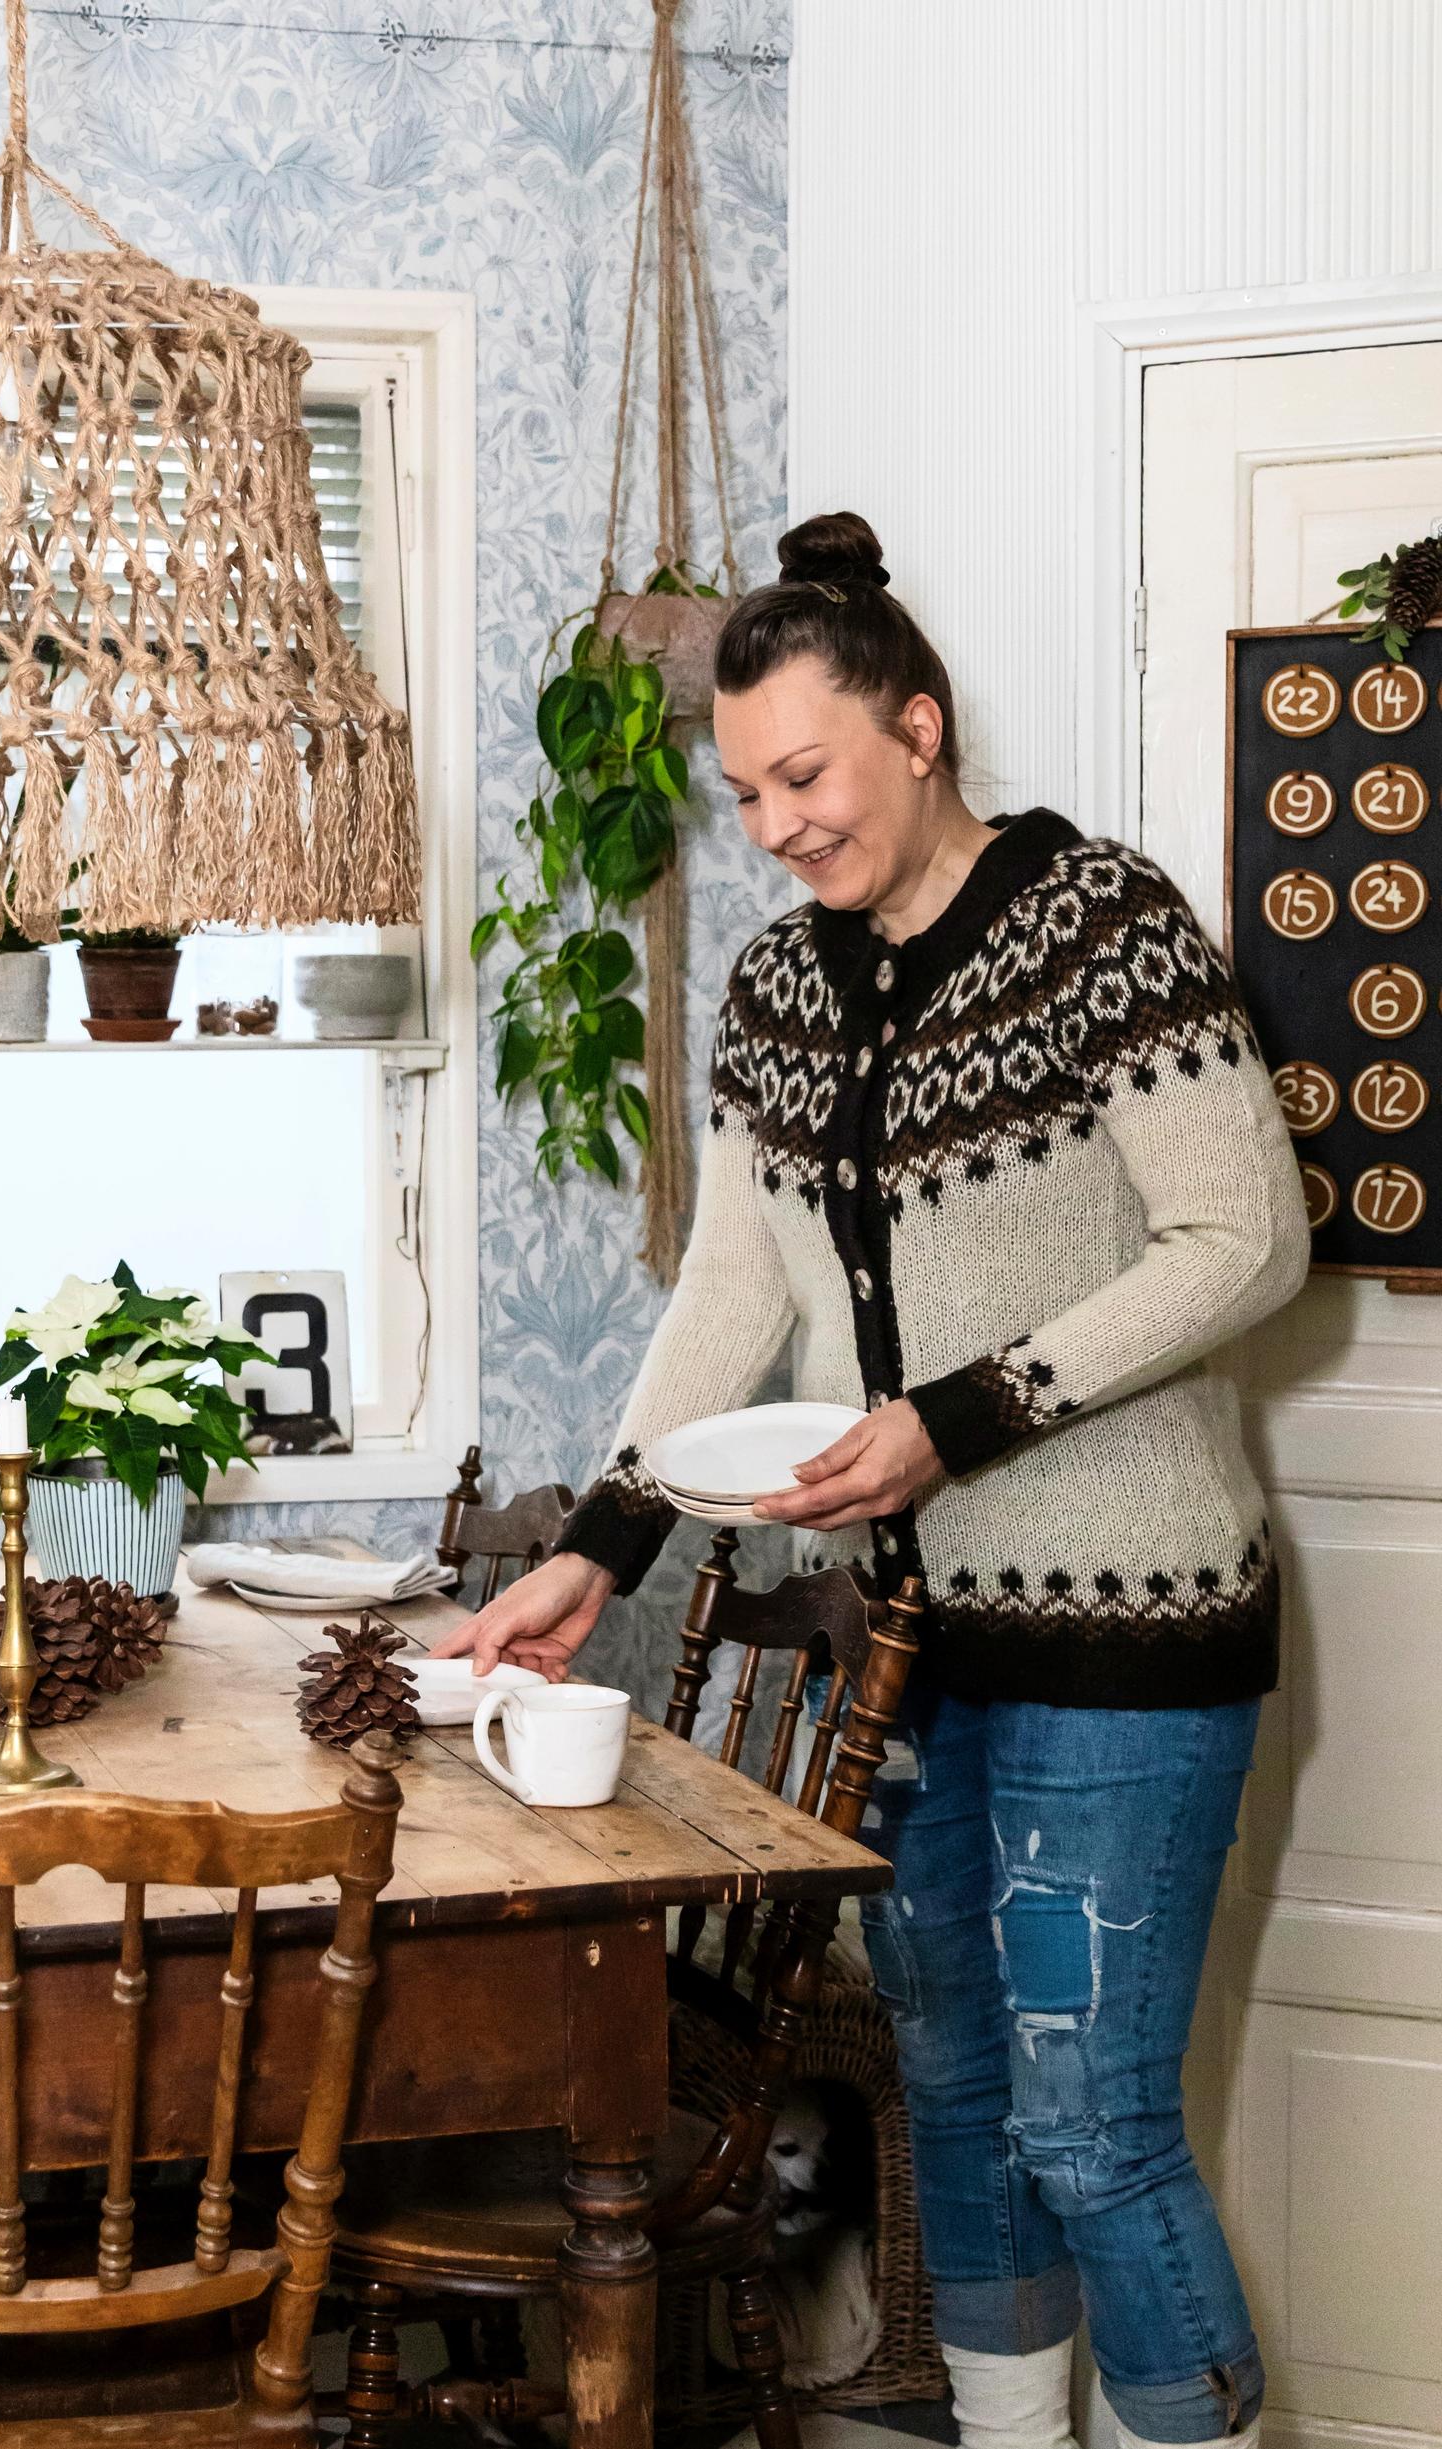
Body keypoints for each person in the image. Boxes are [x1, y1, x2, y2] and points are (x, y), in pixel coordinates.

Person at [433, 512, 1309, 2449]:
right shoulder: (771, 990)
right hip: (905, 1651)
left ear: (919, 728)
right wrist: (601, 1542)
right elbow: (732, 1289)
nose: (776, 822)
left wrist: (953, 1416)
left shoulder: (1107, 927)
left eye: (805, 774)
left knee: (1096, 2122)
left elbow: (1246, 1238)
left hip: (1131, 1634)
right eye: (745, 789)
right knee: (957, 2091)